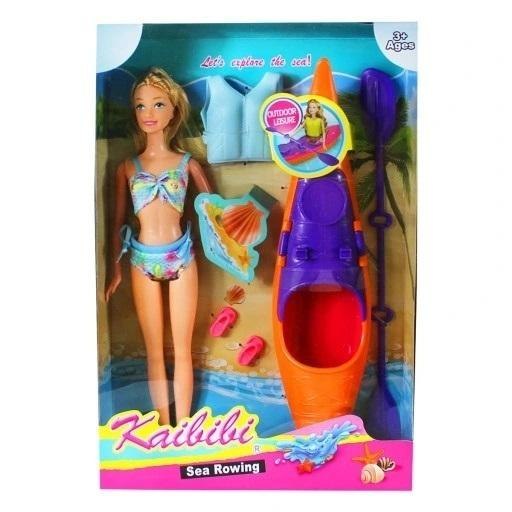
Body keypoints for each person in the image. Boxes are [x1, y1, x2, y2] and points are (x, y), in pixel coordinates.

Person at [105, 67, 212, 425]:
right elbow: (117, 224)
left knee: (182, 349)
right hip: (140, 258)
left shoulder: (187, 164)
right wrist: (113, 269)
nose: (148, 113)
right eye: (140, 105)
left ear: (174, 110)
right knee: (153, 351)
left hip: (181, 256)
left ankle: (183, 427)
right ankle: (164, 426)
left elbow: (214, 213)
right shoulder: (127, 167)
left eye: (158, 104)